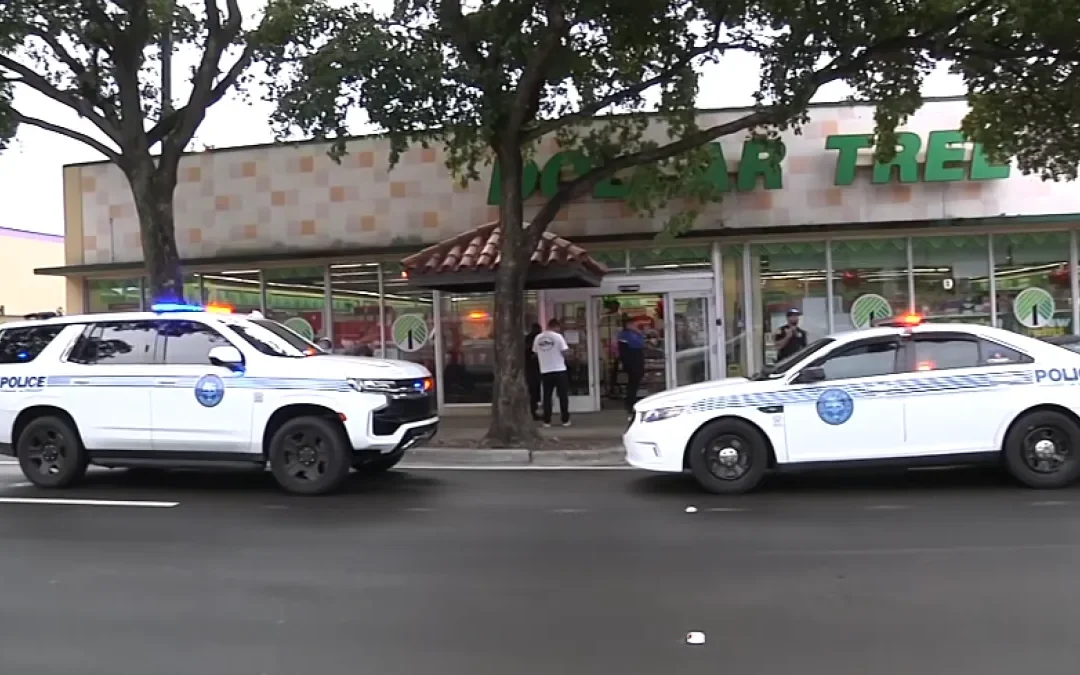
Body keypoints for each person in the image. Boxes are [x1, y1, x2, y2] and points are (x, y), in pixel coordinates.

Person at [533, 318, 571, 427]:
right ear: (556, 326)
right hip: (559, 370)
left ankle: (547, 420)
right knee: (563, 396)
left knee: (547, 397)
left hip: (545, 370)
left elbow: (535, 353)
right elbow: (565, 352)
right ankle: (565, 419)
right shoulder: (558, 337)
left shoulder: (538, 338)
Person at [617, 316, 646, 413]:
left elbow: (642, 343)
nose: (635, 325)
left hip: (637, 360)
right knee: (633, 382)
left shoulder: (635, 334)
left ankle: (631, 400)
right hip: (632, 361)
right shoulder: (624, 335)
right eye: (633, 324)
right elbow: (636, 345)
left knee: (635, 382)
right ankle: (630, 402)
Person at [524, 322, 542, 420]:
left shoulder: (527, 339)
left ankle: (533, 411)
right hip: (534, 368)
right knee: (534, 391)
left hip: (529, 368)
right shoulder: (536, 339)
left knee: (532, 391)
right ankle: (533, 411)